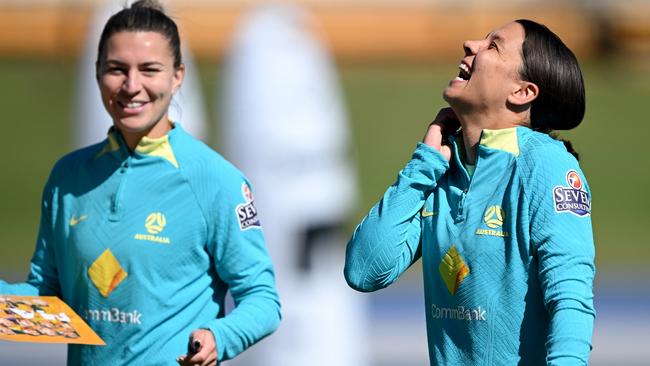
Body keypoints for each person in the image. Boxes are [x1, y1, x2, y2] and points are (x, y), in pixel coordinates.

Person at [0, 1, 281, 365]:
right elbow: (47, 301)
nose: (132, 86)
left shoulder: (215, 180)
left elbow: (263, 299)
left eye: (149, 69)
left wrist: (218, 336)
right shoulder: (67, 178)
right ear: (97, 72)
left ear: (177, 76)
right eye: (117, 70)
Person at [344, 19, 595, 365]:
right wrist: (424, 164)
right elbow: (365, 269)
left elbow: (571, 302)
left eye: (493, 46)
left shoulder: (547, 165)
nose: (469, 43)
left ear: (522, 92)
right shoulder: (440, 169)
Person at [220, 4, 369, 366]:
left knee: (322, 279)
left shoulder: (290, 32)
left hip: (317, 184)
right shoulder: (260, 38)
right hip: (281, 188)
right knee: (284, 280)